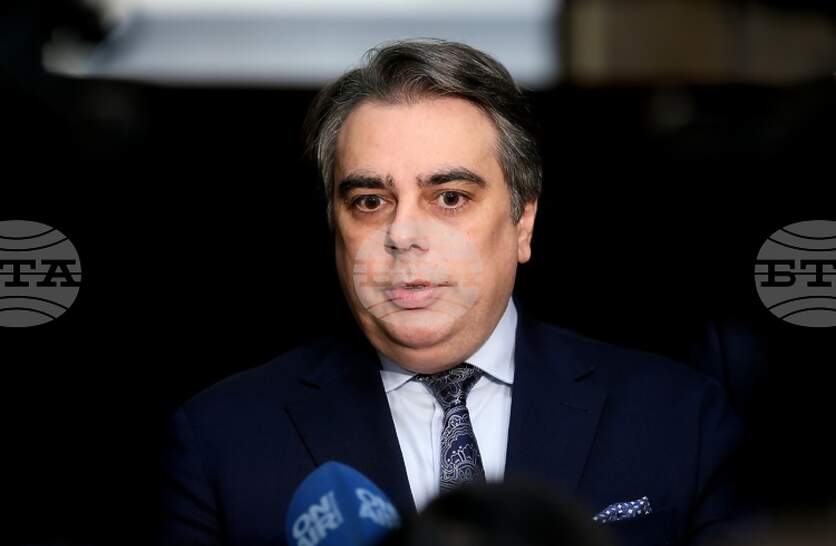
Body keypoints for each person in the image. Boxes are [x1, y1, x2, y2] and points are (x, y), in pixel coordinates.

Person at [159, 39, 745, 546]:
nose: (403, 235)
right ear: (335, 226)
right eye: (370, 202)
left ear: (522, 222)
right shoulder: (221, 441)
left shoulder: (679, 418)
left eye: (449, 198)